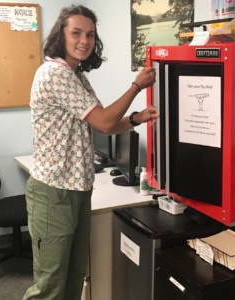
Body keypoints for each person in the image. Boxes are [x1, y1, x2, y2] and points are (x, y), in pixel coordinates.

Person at [23, 4, 158, 300]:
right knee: (49, 286)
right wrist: (136, 85)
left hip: (78, 189)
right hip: (54, 192)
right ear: (61, 35)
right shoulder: (55, 74)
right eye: (76, 33)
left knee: (73, 277)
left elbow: (105, 126)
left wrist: (138, 118)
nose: (84, 41)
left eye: (90, 35)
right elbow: (105, 120)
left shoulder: (77, 76)